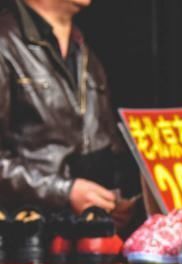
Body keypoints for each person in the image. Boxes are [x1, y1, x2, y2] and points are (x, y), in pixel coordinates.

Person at [0, 0, 133, 217]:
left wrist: (119, 200)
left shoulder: (85, 52)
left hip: (83, 234)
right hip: (23, 236)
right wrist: (63, 191)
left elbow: (105, 143)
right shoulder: (5, 42)